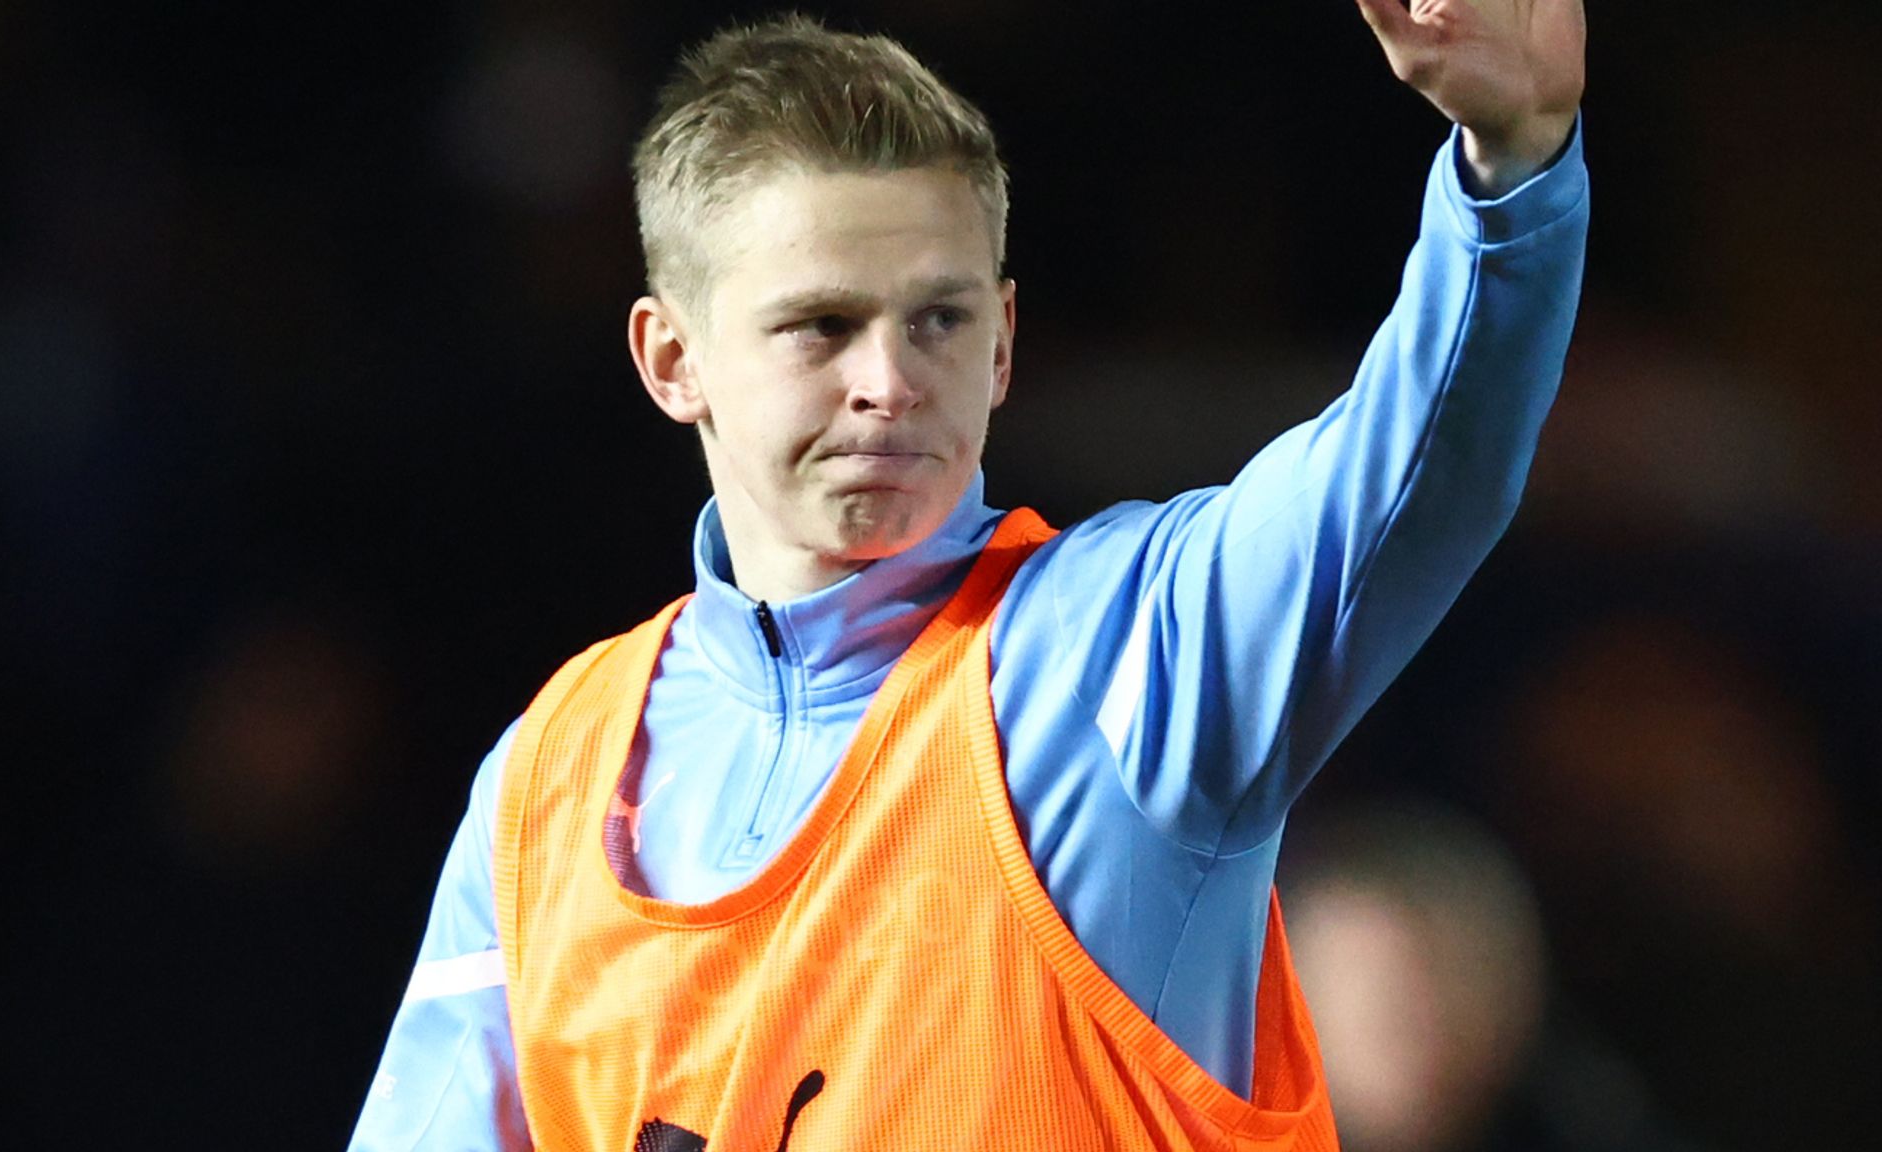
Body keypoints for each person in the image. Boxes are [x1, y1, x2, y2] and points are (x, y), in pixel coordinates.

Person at [350, 3, 1588, 1147]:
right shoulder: (543, 779)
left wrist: (1513, 161)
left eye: (937, 320)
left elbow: (1422, 474)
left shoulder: (1129, 657)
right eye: (821, 325)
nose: (889, 381)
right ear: (671, 358)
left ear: (1001, 344)